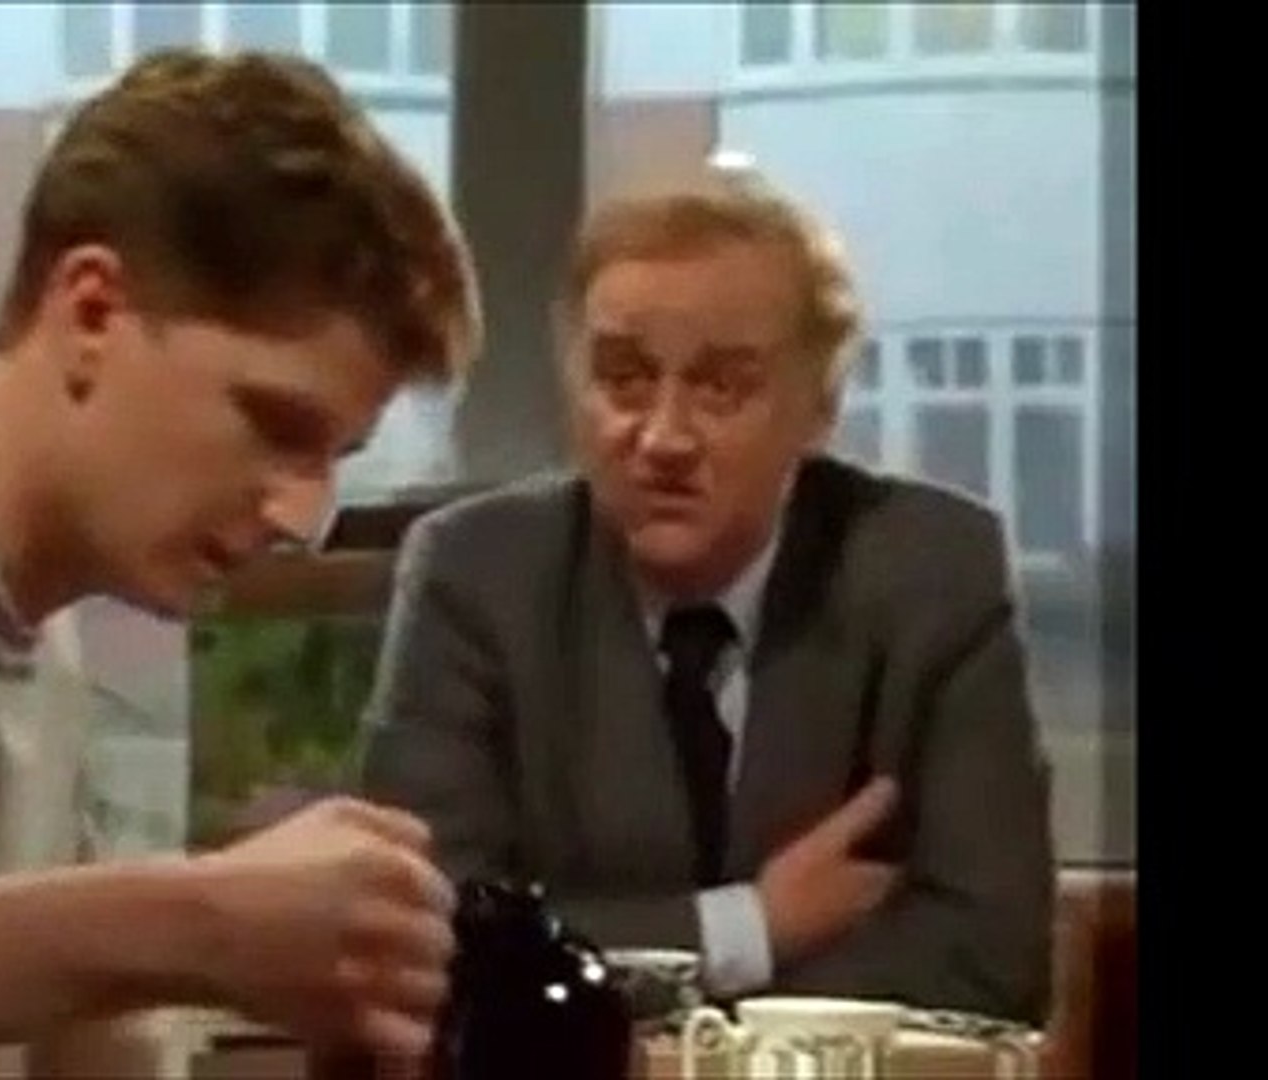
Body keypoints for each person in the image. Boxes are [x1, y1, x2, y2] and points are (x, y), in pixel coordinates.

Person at [0, 48, 480, 1076]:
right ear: (93, 312)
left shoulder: (38, 643)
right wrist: (190, 923)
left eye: (335, 456)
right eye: (276, 424)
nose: (303, 516)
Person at [357, 179, 1055, 1025]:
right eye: (623, 379)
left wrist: (664, 1009)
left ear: (821, 407)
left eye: (722, 386)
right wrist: (750, 929)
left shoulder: (932, 571)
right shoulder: (476, 573)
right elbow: (431, 941)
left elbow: (990, 959)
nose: (663, 438)